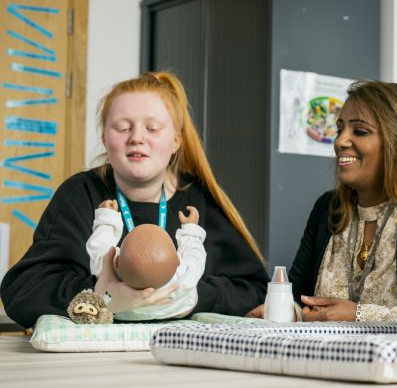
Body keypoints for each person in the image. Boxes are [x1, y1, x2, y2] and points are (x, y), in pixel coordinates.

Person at [0, 71, 269, 327]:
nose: (137, 138)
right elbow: (22, 291)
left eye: (152, 128)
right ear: (105, 138)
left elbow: (255, 289)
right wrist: (100, 296)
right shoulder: (80, 194)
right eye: (122, 127)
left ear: (176, 141)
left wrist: (191, 297)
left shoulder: (199, 201)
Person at [249, 80, 397, 322]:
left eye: (360, 131)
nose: (340, 141)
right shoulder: (327, 208)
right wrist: (281, 311)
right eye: (339, 129)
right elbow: (299, 298)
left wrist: (358, 314)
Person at [86, 200, 207, 320]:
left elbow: (98, 246)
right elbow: (195, 254)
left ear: (117, 260)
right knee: (191, 291)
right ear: (178, 260)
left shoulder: (110, 271)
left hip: (122, 313)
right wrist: (191, 230)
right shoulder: (184, 274)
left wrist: (107, 217)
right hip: (178, 308)